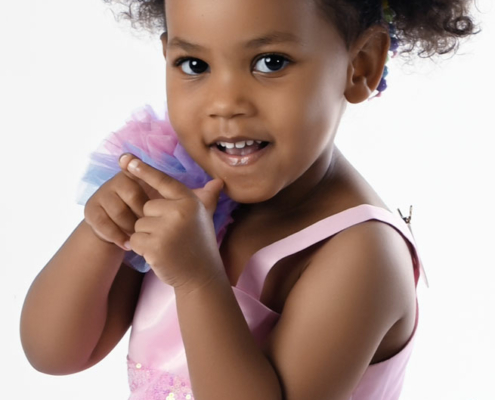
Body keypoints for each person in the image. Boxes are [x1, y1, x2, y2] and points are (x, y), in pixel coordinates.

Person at [20, 0, 477, 399]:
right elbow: (55, 353)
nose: (225, 103)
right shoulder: (180, 186)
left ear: (360, 65)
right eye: (194, 65)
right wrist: (101, 231)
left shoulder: (362, 255)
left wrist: (198, 280)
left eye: (270, 63)